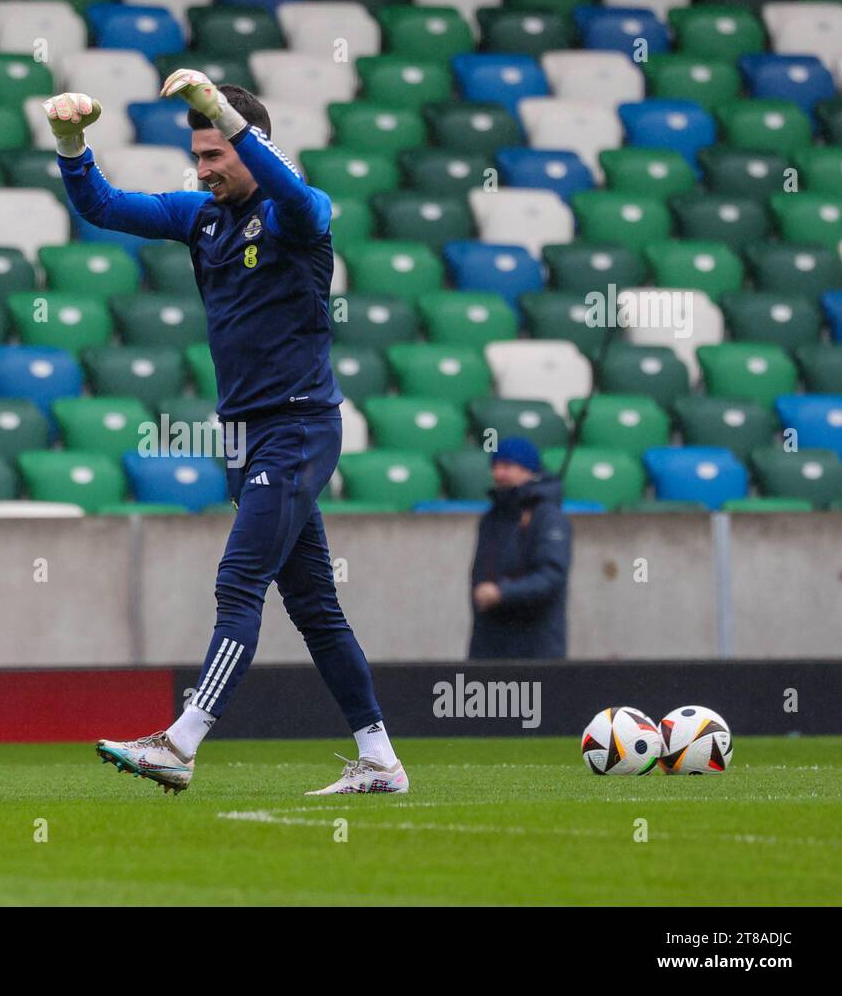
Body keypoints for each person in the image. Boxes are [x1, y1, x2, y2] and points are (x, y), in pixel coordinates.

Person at [44, 72, 407, 796]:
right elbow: (103, 205)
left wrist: (222, 113)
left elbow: (300, 198)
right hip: (247, 436)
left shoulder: (293, 213)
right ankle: (380, 760)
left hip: (299, 425)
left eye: (215, 153)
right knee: (314, 606)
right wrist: (69, 139)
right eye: (199, 156)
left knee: (238, 580)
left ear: (252, 145)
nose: (204, 169)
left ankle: (181, 741)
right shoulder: (202, 218)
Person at [468, 437, 571, 660]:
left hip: (535, 651)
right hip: (490, 648)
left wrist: (502, 593)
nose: (498, 473)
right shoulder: (492, 518)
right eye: (495, 466)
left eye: (507, 466)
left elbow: (551, 577)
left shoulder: (548, 518)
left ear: (528, 470)